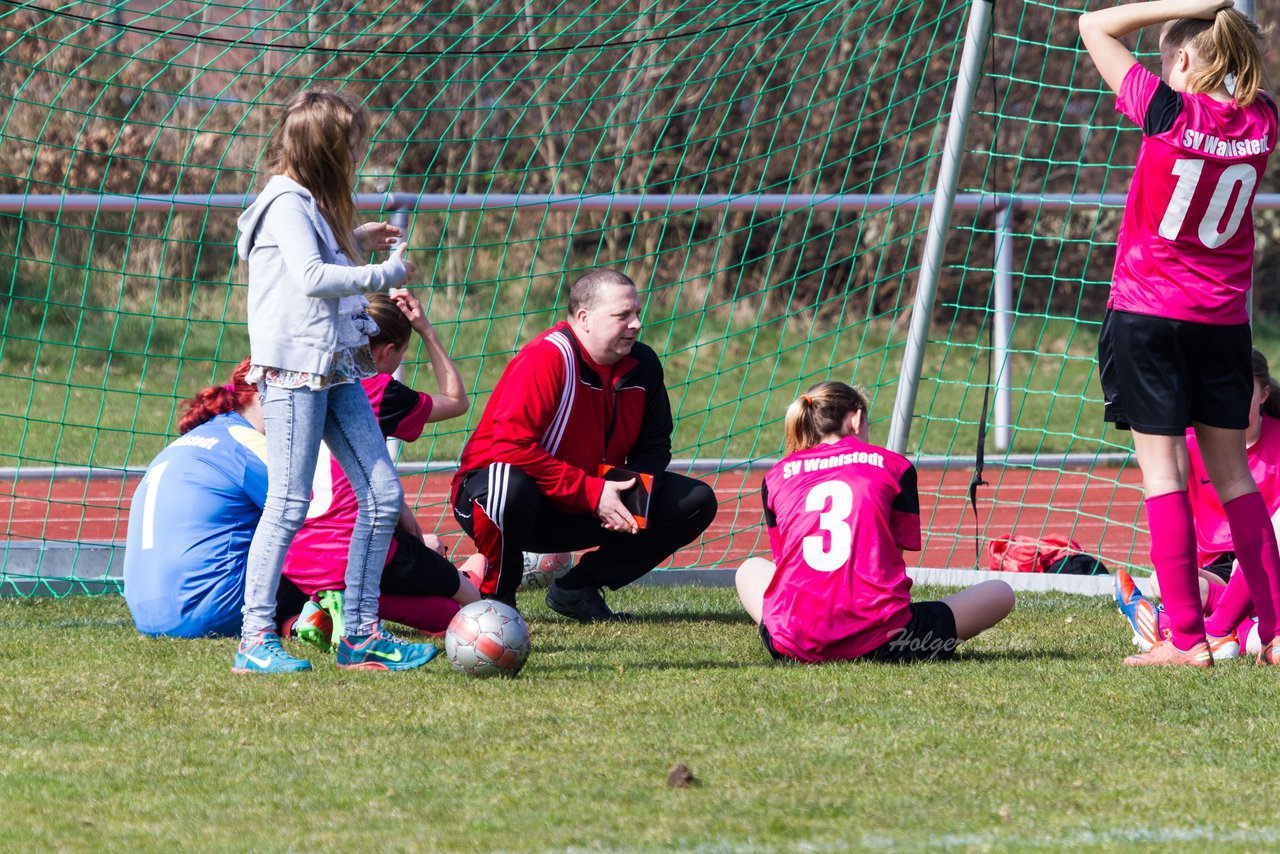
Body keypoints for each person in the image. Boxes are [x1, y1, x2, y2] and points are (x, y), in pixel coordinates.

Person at [1079, 0, 1280, 666]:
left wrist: (1196, 4)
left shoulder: (1168, 112)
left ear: (1186, 59)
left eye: (1169, 58)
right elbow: (1246, 87)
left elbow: (1094, 26)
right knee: (1235, 478)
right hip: (1223, 324)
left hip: (1149, 318)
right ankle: (1277, 633)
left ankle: (1188, 642)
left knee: (1162, 476)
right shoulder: (1266, 122)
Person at [234, 88, 434, 673]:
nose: (354, 154)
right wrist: (386, 270)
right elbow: (314, 277)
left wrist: (354, 241)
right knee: (289, 502)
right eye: (348, 144)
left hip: (338, 366)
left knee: (382, 496)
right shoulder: (284, 201)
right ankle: (254, 639)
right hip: (296, 373)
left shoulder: (312, 205)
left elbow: (327, 260)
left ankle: (361, 634)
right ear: (322, 148)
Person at [451, 268, 718, 621]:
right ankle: (497, 602)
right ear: (584, 319)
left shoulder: (644, 364)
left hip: (587, 500)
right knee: (507, 485)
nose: (636, 324)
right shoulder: (547, 358)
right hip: (503, 501)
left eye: (637, 313)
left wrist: (626, 496)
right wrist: (592, 493)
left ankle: (578, 588)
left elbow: (654, 445)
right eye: (623, 316)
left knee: (695, 502)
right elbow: (510, 448)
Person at [734, 382, 1014, 663]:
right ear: (856, 419)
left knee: (749, 569)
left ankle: (794, 633)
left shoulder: (775, 476)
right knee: (1000, 593)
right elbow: (892, 560)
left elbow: (784, 561)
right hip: (887, 642)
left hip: (793, 644)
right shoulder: (895, 466)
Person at [283, 290, 482, 644]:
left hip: (296, 555)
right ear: (388, 351)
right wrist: (427, 331)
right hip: (358, 547)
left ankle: (323, 608)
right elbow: (456, 401)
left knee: (432, 587)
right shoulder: (375, 390)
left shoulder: (301, 384)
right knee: (471, 605)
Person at [123, 360, 308, 638]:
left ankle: (293, 619)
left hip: (145, 615)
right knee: (319, 543)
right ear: (262, 395)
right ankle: (308, 618)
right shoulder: (248, 443)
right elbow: (315, 516)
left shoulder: (186, 443)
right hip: (212, 612)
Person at [1116, 349, 1280, 659]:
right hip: (1219, 568)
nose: (1231, 401)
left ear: (1264, 394)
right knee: (1162, 581)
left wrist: (1247, 565)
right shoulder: (1192, 443)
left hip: (1268, 562)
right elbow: (1181, 515)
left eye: (1242, 391)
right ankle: (1234, 627)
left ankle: (1203, 628)